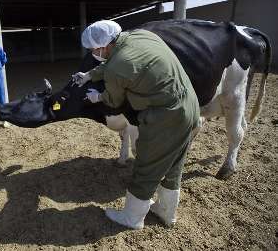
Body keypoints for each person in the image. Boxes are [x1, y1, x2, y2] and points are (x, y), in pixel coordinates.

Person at [73, 20, 200, 229]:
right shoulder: (140, 36)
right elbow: (116, 61)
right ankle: (167, 212)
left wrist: (98, 97)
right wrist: (89, 75)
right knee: (174, 163)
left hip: (165, 117)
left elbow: (114, 99)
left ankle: (132, 218)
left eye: (93, 50)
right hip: (190, 106)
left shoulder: (117, 68)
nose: (92, 54)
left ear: (102, 46)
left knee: (146, 166)